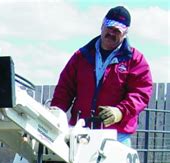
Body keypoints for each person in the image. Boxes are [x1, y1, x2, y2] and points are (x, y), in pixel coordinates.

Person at [50, 6, 153, 147]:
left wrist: (120, 111)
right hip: (80, 133)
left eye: (117, 31)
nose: (111, 33)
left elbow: (141, 93)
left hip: (117, 136)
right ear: (102, 26)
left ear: (125, 33)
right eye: (109, 27)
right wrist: (55, 112)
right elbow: (65, 88)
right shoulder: (81, 56)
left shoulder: (135, 60)